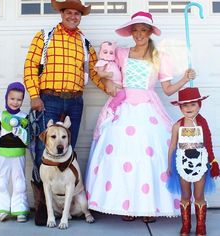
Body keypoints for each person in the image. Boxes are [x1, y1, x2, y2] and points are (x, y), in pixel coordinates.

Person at [85, 11, 196, 222]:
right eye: (135, 30)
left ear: (150, 32)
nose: (138, 34)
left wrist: (184, 78)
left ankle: (148, 207)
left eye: (143, 30)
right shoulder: (121, 53)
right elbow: (108, 74)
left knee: (148, 156)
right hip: (123, 107)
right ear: (130, 33)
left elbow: (168, 89)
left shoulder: (160, 57)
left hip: (147, 110)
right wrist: (107, 81)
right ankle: (126, 206)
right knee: (122, 153)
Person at [23, 0, 104, 177]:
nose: (72, 17)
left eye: (77, 14)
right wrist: (35, 96)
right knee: (45, 149)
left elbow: (96, 74)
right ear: (62, 13)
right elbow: (30, 66)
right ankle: (42, 201)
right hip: (48, 100)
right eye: (69, 12)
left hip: (75, 102)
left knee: (67, 149)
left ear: (80, 17)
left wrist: (116, 90)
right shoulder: (44, 36)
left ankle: (62, 199)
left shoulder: (85, 43)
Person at [166, 87, 219, 236]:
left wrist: (213, 162)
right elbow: (172, 146)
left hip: (200, 163)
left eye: (192, 104)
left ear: (199, 105)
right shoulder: (177, 126)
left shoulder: (202, 124)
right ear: (180, 107)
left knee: (199, 195)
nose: (188, 108)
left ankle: (201, 226)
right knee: (185, 195)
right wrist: (169, 165)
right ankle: (186, 225)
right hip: (183, 163)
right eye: (185, 105)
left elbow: (208, 144)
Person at [0, 82, 29, 223]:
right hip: (3, 154)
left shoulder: (24, 117)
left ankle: (20, 209)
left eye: (19, 99)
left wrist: (22, 132)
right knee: (1, 181)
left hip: (18, 155)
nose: (15, 102)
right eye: (12, 98)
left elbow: (29, 139)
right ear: (6, 98)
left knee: (19, 182)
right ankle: (2, 208)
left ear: (22, 100)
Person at [94, 41, 125, 114]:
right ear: (101, 53)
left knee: (122, 97)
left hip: (118, 84)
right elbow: (100, 73)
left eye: (111, 53)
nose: (108, 54)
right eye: (105, 52)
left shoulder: (113, 62)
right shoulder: (102, 62)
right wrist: (107, 74)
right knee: (122, 94)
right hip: (113, 84)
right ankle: (112, 107)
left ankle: (115, 108)